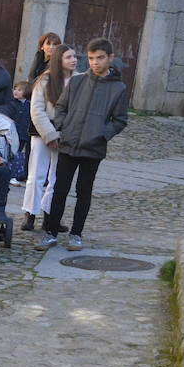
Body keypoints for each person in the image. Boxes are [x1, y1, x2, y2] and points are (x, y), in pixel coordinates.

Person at [37, 38, 129, 251]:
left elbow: (120, 120)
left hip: (93, 148)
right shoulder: (77, 82)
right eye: (90, 58)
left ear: (110, 58)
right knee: (59, 189)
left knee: (83, 192)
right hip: (68, 144)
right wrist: (63, 126)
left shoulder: (118, 88)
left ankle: (76, 234)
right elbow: (60, 107)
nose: (95, 63)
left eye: (100, 58)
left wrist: (102, 135)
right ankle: (50, 233)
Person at [23, 43, 77, 231]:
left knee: (57, 178)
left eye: (74, 56)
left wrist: (66, 134)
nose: (74, 60)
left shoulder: (79, 81)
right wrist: (51, 135)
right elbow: (37, 110)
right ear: (59, 60)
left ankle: (49, 216)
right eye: (69, 57)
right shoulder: (45, 80)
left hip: (67, 135)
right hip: (42, 132)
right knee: (36, 175)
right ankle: (30, 214)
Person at [10, 78, 32, 182]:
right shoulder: (12, 103)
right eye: (15, 89)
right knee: (11, 152)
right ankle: (11, 174)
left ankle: (15, 173)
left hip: (23, 134)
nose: (15, 91)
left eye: (19, 90)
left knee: (18, 152)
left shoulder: (29, 105)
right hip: (12, 133)